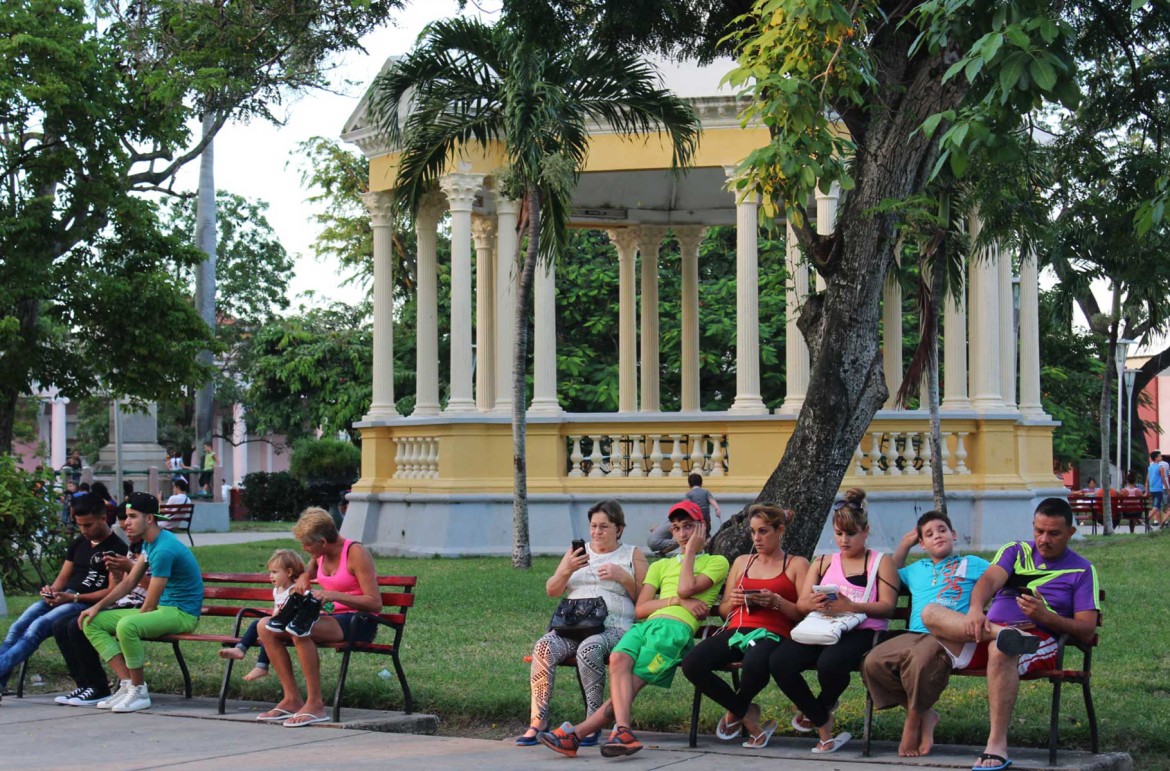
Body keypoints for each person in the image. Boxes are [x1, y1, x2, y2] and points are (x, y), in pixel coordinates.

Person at [538, 500, 729, 758]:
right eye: (676, 528)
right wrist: (676, 600)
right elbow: (641, 608)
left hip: (675, 631)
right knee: (618, 657)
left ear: (701, 527)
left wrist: (692, 553)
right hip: (646, 626)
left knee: (631, 681)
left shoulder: (717, 562)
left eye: (688, 527)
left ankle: (580, 734)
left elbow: (685, 587)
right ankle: (620, 732)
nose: (683, 534)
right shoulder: (661, 566)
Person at [921, 497, 1100, 771]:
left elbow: (1087, 631)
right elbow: (990, 580)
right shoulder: (1016, 551)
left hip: (1036, 639)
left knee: (1002, 649)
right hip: (987, 632)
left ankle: (996, 745)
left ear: (1070, 533)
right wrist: (975, 609)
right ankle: (1001, 633)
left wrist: (1045, 617)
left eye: (1054, 533)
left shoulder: (1082, 570)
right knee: (930, 612)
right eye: (1039, 531)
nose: (1044, 539)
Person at [769, 488, 898, 755]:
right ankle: (821, 716)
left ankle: (822, 705)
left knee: (830, 663)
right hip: (823, 625)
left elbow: (887, 607)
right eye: (839, 534)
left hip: (861, 629)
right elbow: (802, 603)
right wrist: (812, 603)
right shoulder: (823, 562)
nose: (844, 540)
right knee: (780, 662)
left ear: (865, 531)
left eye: (850, 534)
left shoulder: (879, 562)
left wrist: (852, 606)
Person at [516, 501, 648, 746]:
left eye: (604, 527)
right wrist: (566, 569)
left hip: (614, 627)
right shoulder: (577, 552)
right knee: (544, 647)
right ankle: (538, 721)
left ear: (619, 529)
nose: (597, 532)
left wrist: (623, 578)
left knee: (590, 648)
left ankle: (592, 722)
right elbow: (552, 590)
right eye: (593, 526)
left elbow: (644, 601)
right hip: (572, 627)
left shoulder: (632, 554)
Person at [861, 510, 990, 757]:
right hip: (913, 634)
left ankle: (911, 725)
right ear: (922, 543)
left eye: (942, 530)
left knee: (919, 662)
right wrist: (903, 546)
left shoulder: (972, 563)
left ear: (953, 535)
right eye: (929, 534)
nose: (937, 536)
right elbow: (889, 578)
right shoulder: (916, 569)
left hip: (947, 635)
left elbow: (1000, 576)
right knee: (872, 662)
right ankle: (925, 714)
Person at [681, 504, 808, 748]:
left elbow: (802, 614)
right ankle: (746, 712)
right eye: (753, 532)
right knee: (692, 663)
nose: (756, 538)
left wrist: (776, 602)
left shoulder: (796, 564)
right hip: (737, 631)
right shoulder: (742, 562)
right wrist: (735, 601)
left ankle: (735, 713)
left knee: (755, 661)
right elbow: (725, 611)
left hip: (771, 634)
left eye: (763, 531)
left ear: (780, 530)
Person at [255, 507, 382, 727]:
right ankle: (292, 699)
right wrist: (304, 577)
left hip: (360, 621)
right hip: (330, 618)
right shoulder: (320, 556)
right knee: (265, 627)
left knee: (299, 627)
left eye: (307, 545)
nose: (304, 549)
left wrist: (333, 594)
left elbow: (375, 602)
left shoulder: (355, 553)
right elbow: (309, 571)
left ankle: (315, 703)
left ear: (323, 542)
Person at [79, 493, 203, 713]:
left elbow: (149, 605)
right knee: (92, 621)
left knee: (127, 625)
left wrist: (130, 619)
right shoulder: (149, 544)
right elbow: (128, 583)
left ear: (149, 519)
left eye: (133, 516)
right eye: (126, 516)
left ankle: (139, 690)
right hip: (166, 610)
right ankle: (128, 685)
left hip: (182, 614)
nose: (126, 523)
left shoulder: (164, 548)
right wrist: (97, 607)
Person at [0, 493, 127, 704]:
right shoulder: (78, 544)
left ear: (103, 518)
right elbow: (61, 580)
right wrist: (50, 591)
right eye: (80, 525)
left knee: (36, 629)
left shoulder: (116, 548)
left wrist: (73, 597)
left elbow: (112, 592)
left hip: (86, 602)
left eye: (88, 525)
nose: (84, 530)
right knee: (16, 628)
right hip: (65, 597)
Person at [54, 528, 147, 706]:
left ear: (148, 519)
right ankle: (85, 684)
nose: (127, 527)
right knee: (61, 625)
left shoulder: (156, 550)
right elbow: (121, 586)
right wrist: (118, 573)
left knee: (79, 624)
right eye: (125, 521)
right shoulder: (129, 551)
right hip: (123, 604)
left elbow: (153, 588)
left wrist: (130, 568)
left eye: (132, 518)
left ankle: (102, 687)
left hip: (143, 606)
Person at [219, 549, 305, 682]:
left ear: (289, 572)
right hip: (278, 624)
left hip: (291, 626)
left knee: (268, 629)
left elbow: (304, 608)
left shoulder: (295, 590)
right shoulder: (277, 590)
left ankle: (262, 666)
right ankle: (240, 649)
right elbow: (277, 608)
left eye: (275, 572)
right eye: (270, 572)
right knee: (258, 625)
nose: (271, 576)